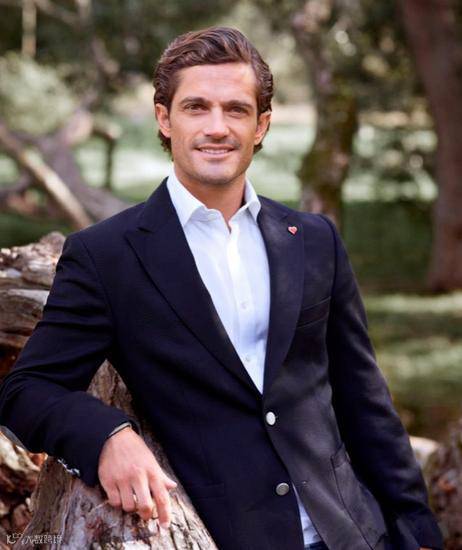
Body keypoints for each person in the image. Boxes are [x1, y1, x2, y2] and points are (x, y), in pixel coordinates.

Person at [0, 26, 443, 550]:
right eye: (196, 107)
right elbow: (27, 390)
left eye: (236, 109)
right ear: (165, 119)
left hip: (354, 534)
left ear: (261, 125)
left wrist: (417, 533)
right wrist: (106, 436)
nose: (217, 127)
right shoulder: (106, 256)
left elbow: (365, 401)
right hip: (229, 536)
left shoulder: (313, 240)